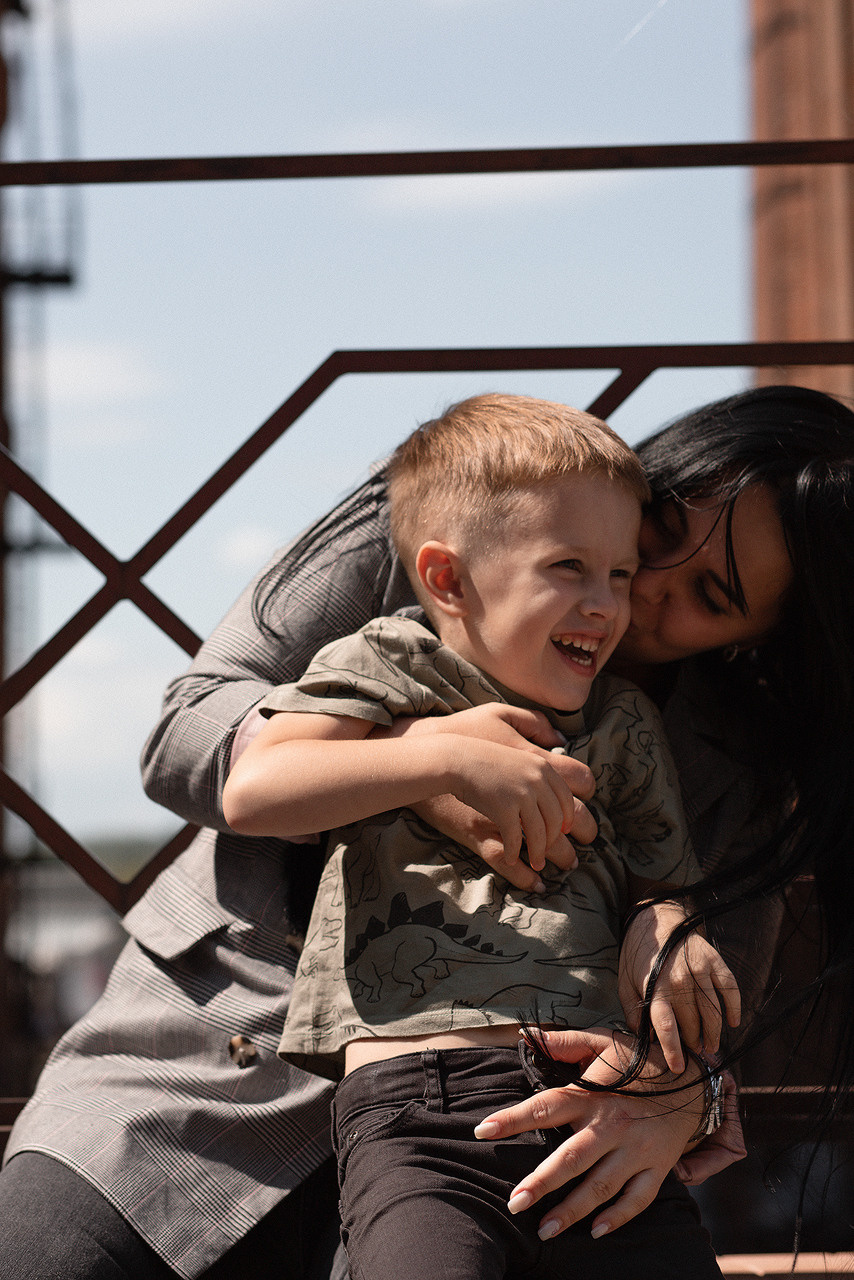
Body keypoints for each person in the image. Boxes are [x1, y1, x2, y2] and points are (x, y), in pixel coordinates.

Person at [0, 382, 851, 1278]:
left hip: (503, 1150)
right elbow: (188, 730)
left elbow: (705, 1013)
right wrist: (425, 762)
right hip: (205, 1064)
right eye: (662, 528)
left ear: (764, 635)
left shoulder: (742, 757)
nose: (638, 592)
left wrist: (679, 1093)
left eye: (707, 595)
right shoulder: (459, 511)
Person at [221, 394, 738, 1278]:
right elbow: (256, 788)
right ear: (449, 579)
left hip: (597, 1103)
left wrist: (665, 920)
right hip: (418, 1111)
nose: (606, 605)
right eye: (569, 567)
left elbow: (662, 881)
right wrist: (444, 759)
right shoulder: (391, 663)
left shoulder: (623, 722)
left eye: (620, 574)